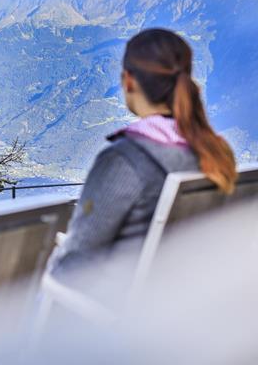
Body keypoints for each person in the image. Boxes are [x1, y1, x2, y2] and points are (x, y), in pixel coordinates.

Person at [47, 28, 237, 281]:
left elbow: (77, 261)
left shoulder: (125, 159)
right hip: (188, 299)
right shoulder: (217, 152)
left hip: (118, 311)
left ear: (129, 81)